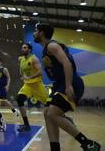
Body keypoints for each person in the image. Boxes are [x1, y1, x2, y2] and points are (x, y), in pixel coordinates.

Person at [34, 23, 101, 151]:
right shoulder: (46, 49)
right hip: (59, 84)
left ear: (41, 33)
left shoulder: (52, 46)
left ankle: (87, 143)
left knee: (53, 113)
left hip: (70, 83)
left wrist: (69, 85)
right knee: (47, 113)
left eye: (35, 31)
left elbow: (67, 63)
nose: (33, 33)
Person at [16, 43, 49, 132]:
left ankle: (66, 119)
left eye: (25, 47)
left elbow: (40, 72)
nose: (22, 49)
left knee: (50, 106)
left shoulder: (34, 59)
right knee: (19, 99)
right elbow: (22, 69)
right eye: (22, 47)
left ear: (29, 50)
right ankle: (26, 125)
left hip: (37, 85)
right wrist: (23, 76)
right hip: (28, 86)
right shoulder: (21, 59)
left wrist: (29, 77)